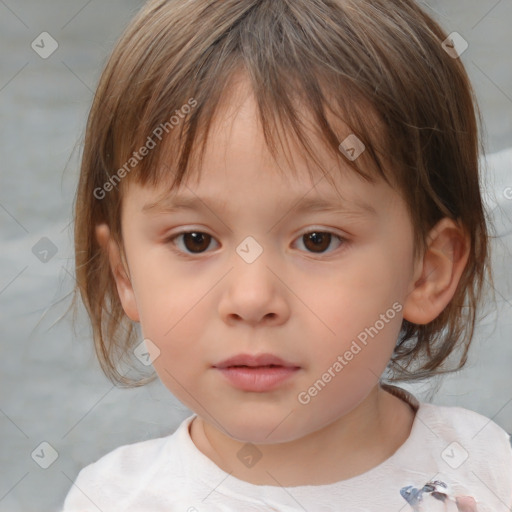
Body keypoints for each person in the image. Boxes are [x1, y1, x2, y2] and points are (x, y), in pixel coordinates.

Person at [62, 0, 512, 510]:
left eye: (318, 240)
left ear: (426, 272)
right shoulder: (114, 500)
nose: (252, 299)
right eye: (195, 240)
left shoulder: (487, 472)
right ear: (125, 273)